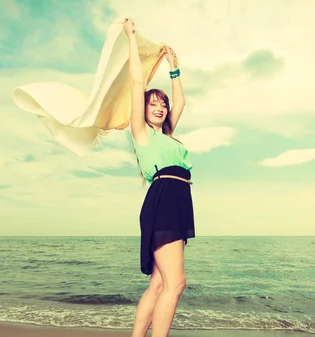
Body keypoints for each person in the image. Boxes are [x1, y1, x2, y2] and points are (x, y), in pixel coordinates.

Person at [123, 18, 195, 337]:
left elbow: (180, 102)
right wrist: (132, 38)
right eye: (153, 104)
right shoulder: (141, 135)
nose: (159, 108)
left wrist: (174, 70)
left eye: (161, 105)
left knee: (159, 283)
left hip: (179, 202)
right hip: (163, 199)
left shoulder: (167, 136)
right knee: (175, 283)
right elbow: (137, 84)